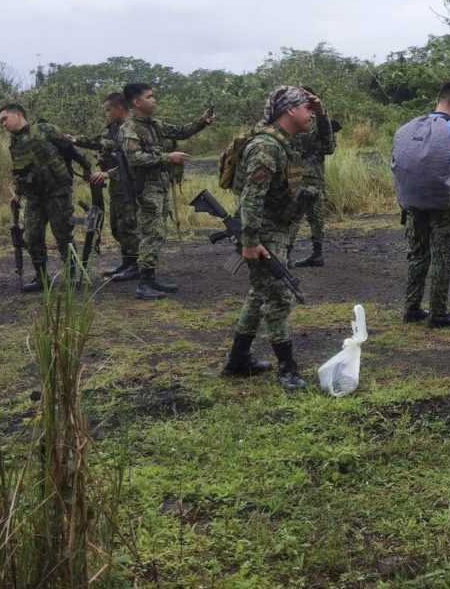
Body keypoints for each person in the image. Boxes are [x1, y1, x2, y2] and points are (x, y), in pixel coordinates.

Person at [222, 85, 323, 390]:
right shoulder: (267, 147)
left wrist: (321, 111)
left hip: (274, 227)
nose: (310, 115)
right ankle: (287, 368)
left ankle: (238, 360)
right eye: (305, 108)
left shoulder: (286, 141)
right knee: (278, 296)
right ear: (289, 110)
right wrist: (251, 241)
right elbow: (252, 197)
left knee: (259, 293)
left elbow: (325, 142)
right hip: (262, 229)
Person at [119, 82, 213, 300]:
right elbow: (134, 158)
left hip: (158, 187)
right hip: (145, 189)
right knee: (152, 234)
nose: (154, 100)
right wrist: (167, 158)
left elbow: (181, 132)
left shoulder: (154, 124)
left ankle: (150, 279)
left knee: (158, 233)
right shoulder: (130, 128)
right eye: (149, 97)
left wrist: (203, 121)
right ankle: (143, 284)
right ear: (137, 102)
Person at [401, 80, 450, 327]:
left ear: (439, 99)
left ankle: (412, 308)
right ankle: (438, 313)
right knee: (441, 257)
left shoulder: (412, 126)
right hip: (446, 202)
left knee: (418, 254)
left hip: (415, 201)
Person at [0, 104, 93, 290]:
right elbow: (20, 170)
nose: (3, 124)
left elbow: (69, 148)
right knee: (33, 236)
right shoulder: (15, 142)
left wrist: (86, 166)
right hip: (34, 196)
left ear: (18, 114)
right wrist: (17, 194)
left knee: (63, 234)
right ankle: (41, 278)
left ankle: (72, 275)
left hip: (57, 192)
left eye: (5, 119)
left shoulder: (44, 129)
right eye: (1, 121)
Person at [68, 92, 140, 282]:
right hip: (117, 185)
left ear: (119, 108)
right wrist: (77, 140)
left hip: (130, 185)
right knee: (117, 225)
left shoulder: (133, 128)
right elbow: (102, 142)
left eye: (108, 110)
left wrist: (108, 174)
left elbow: (132, 162)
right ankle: (127, 262)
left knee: (129, 224)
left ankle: (136, 265)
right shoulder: (114, 128)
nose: (107, 114)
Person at [288, 86, 335, 267]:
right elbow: (329, 147)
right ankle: (316, 253)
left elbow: (329, 147)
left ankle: (289, 253)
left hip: (301, 175)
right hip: (311, 175)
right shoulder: (318, 121)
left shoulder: (303, 120)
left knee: (296, 216)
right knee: (313, 216)